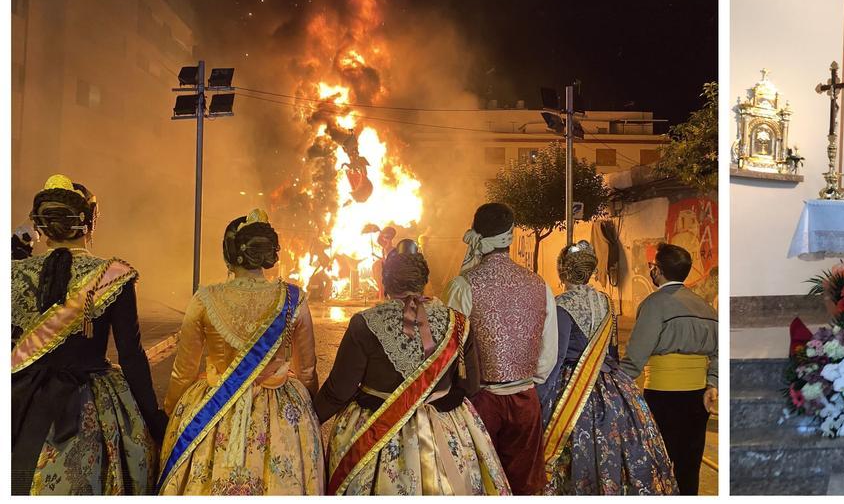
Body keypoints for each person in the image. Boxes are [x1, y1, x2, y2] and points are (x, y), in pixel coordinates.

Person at [315, 239, 510, 495]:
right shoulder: (458, 322)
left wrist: (311, 417)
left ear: (385, 281)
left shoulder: (365, 323)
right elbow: (471, 386)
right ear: (424, 280)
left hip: (376, 434)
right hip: (444, 430)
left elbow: (339, 389)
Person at [11, 174, 167, 494]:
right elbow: (131, 357)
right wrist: (154, 420)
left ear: (40, 226)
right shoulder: (110, 275)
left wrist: (19, 240)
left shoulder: (13, 272)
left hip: (20, 400)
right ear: (87, 225)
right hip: (88, 405)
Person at [158, 209, 324, 495]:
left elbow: (183, 370)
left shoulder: (205, 298)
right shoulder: (293, 298)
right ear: (269, 255)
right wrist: (311, 410)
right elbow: (307, 370)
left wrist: (171, 412)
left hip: (212, 407)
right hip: (281, 410)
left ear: (230, 254)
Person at [537, 241, 678, 495]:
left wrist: (539, 397)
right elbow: (612, 352)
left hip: (572, 389)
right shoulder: (606, 302)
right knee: (614, 448)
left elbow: (555, 358)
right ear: (590, 271)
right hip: (612, 388)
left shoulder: (560, 305)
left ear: (563, 270)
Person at [445, 203, 558, 495]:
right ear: (510, 236)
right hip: (525, 400)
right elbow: (548, 353)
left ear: (478, 235)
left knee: (479, 481)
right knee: (524, 486)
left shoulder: (463, 285)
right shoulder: (539, 284)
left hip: (480, 401)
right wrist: (528, 380)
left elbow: (450, 347)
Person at [620, 242, 718, 496]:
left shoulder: (654, 304)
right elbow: (718, 351)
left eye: (652, 266)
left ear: (658, 271)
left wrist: (617, 384)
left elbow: (636, 354)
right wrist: (712, 383)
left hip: (663, 395)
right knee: (689, 465)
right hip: (698, 396)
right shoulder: (706, 307)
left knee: (656, 463)